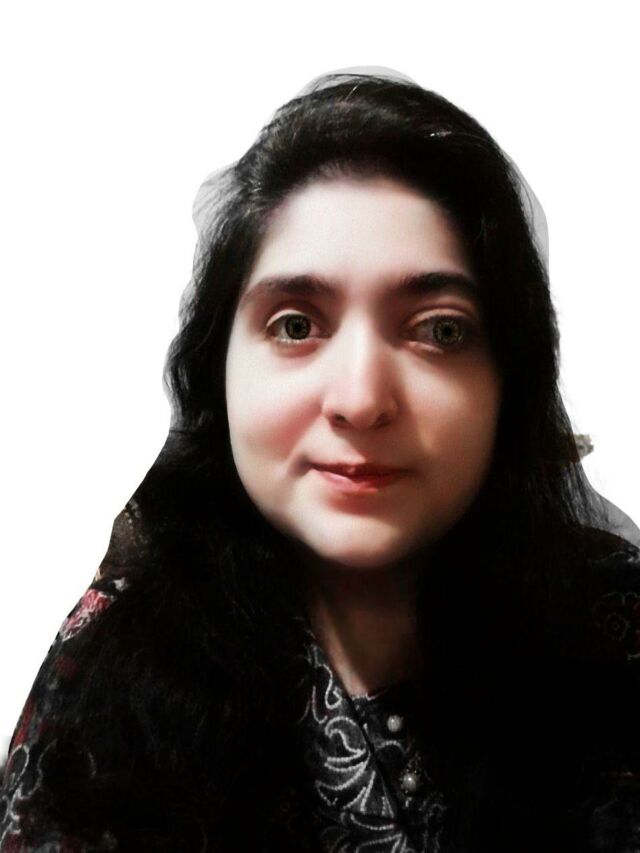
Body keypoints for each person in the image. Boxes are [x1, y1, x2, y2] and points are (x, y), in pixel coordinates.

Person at [1, 69, 639, 852]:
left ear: (514, 378)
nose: (361, 399)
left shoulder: (616, 635)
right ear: (216, 372)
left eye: (440, 330)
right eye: (297, 325)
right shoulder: (108, 677)